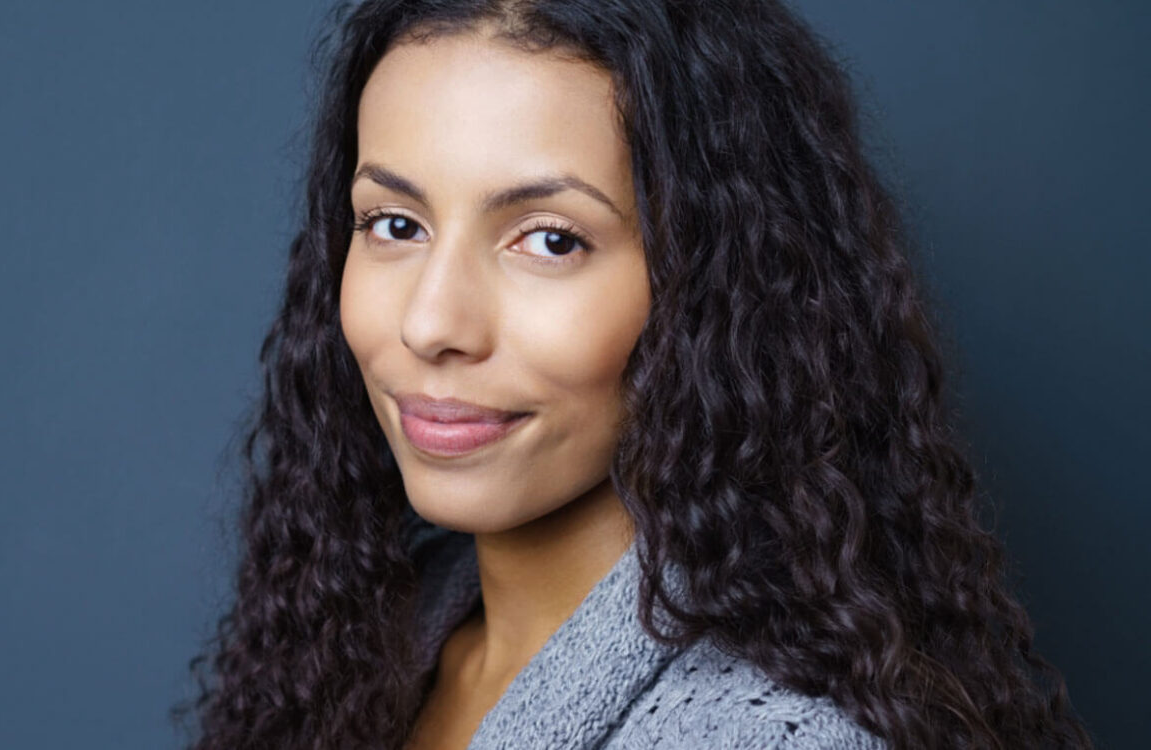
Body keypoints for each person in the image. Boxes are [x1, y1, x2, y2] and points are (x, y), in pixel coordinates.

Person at [176, 0, 1093, 748]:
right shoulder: (364, 653)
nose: (431, 324)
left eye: (550, 240)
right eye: (395, 225)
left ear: (714, 290)